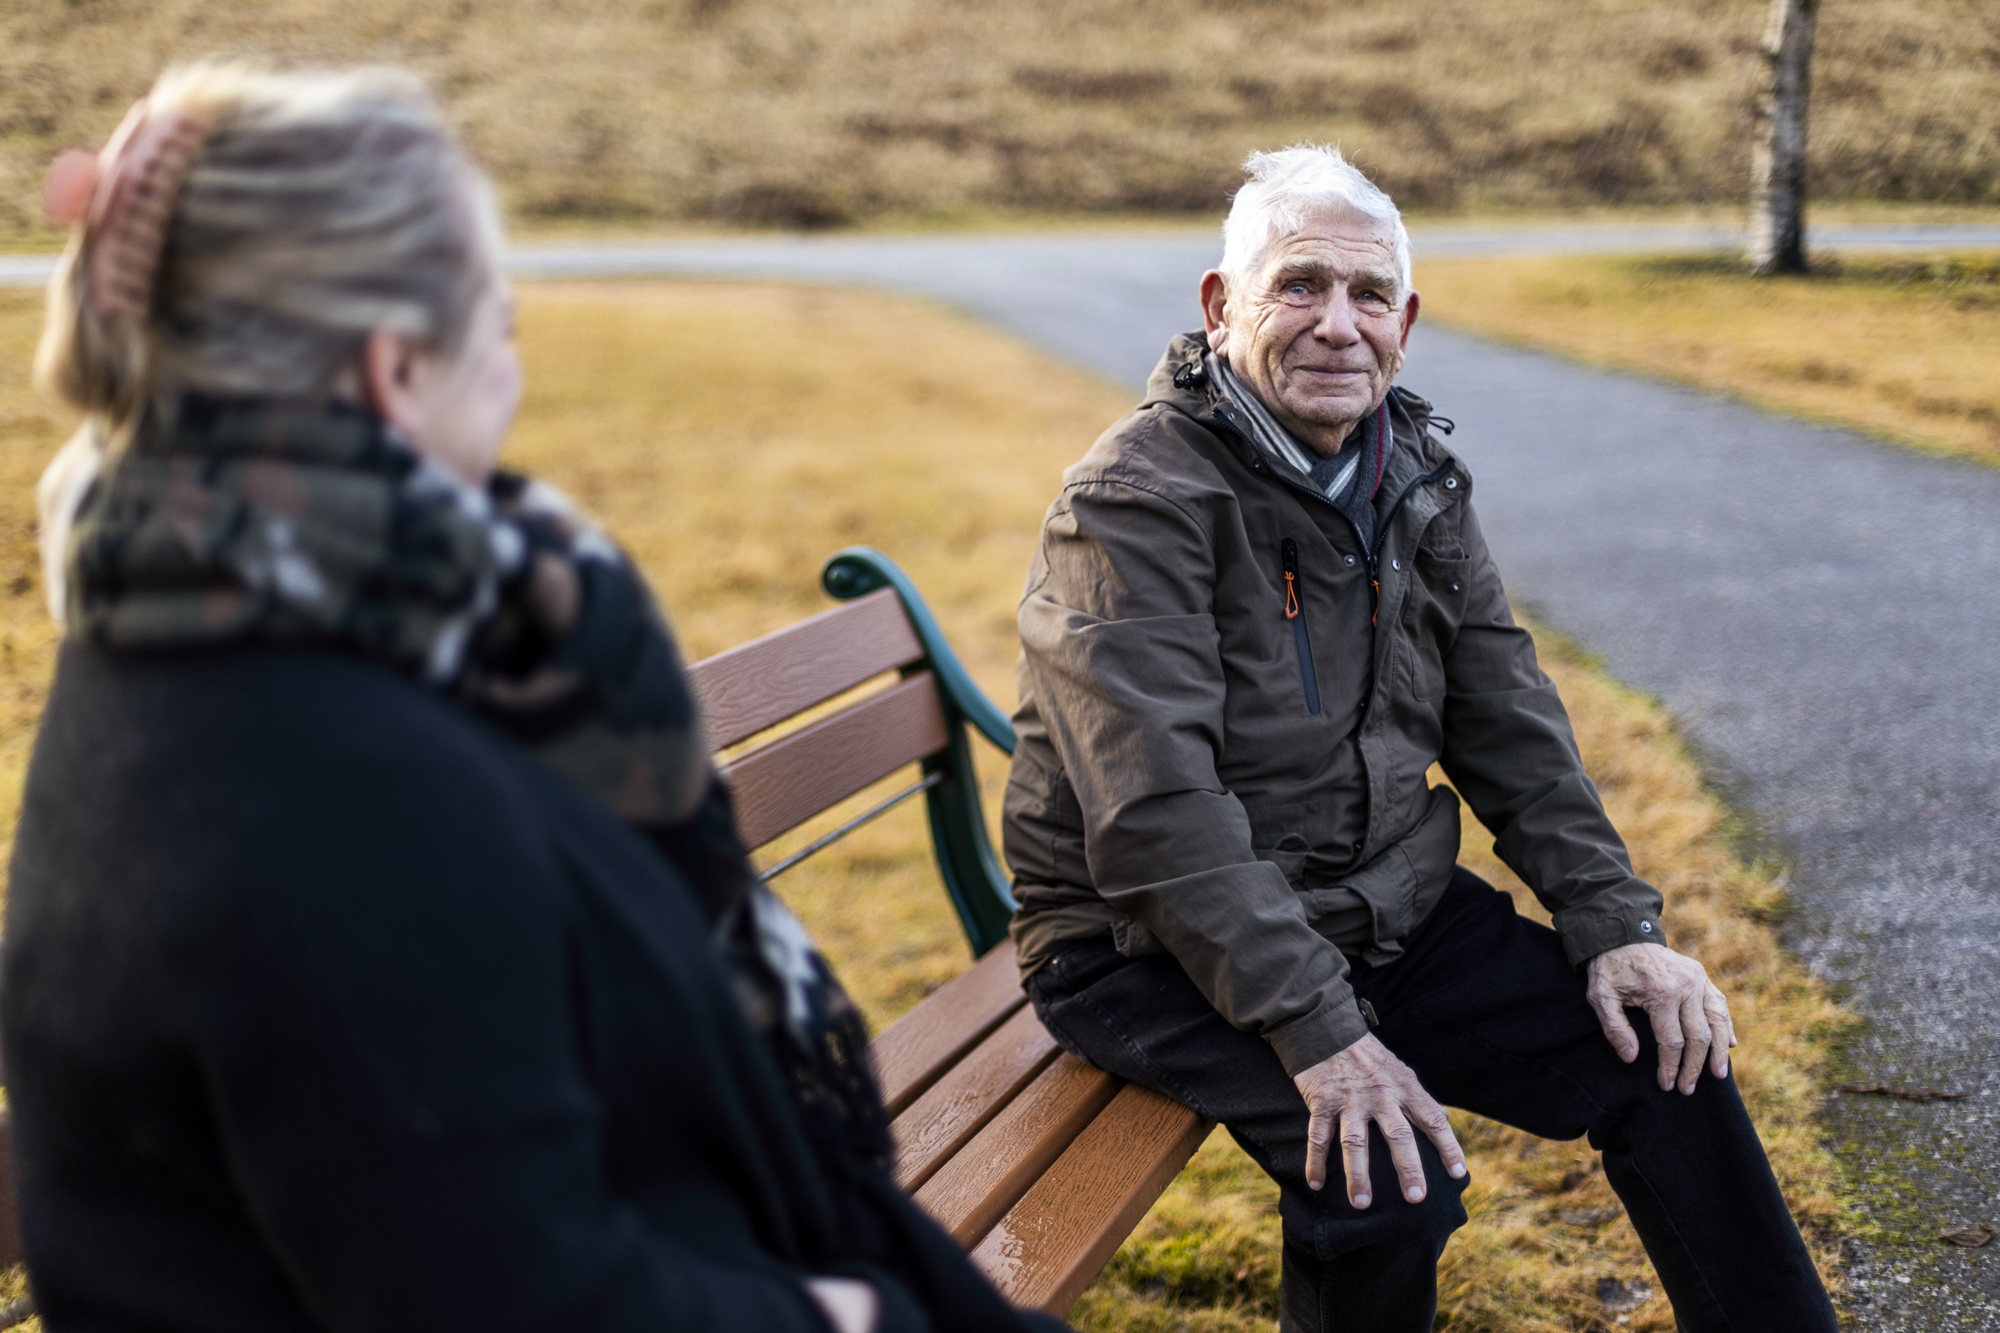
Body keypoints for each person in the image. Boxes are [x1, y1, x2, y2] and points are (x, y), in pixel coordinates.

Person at [4, 62, 1064, 1333]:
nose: (513, 359)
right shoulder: (319, 788)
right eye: (498, 319)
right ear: (396, 367)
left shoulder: (226, 629)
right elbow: (517, 1296)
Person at [1001, 144, 1837, 1333]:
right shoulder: (1135, 501)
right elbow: (1154, 818)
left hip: (1372, 907)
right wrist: (1322, 1032)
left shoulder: (1415, 471)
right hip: (1144, 946)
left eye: (1367, 294)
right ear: (1218, 303)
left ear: (1406, 322)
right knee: (1388, 1177)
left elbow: (1505, 713)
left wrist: (1616, 924)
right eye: (1298, 286)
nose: (1335, 325)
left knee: (1670, 1056)